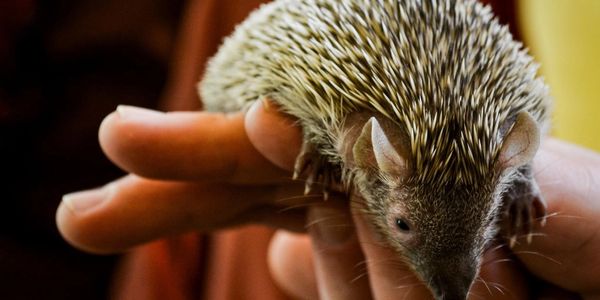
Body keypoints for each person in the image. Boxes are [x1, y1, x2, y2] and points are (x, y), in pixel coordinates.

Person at [56, 0, 600, 299]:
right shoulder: (343, 119)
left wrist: (522, 180)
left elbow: (530, 119)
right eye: (406, 225)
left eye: (482, 229)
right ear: (367, 152)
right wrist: (317, 145)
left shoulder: (509, 136)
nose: (450, 286)